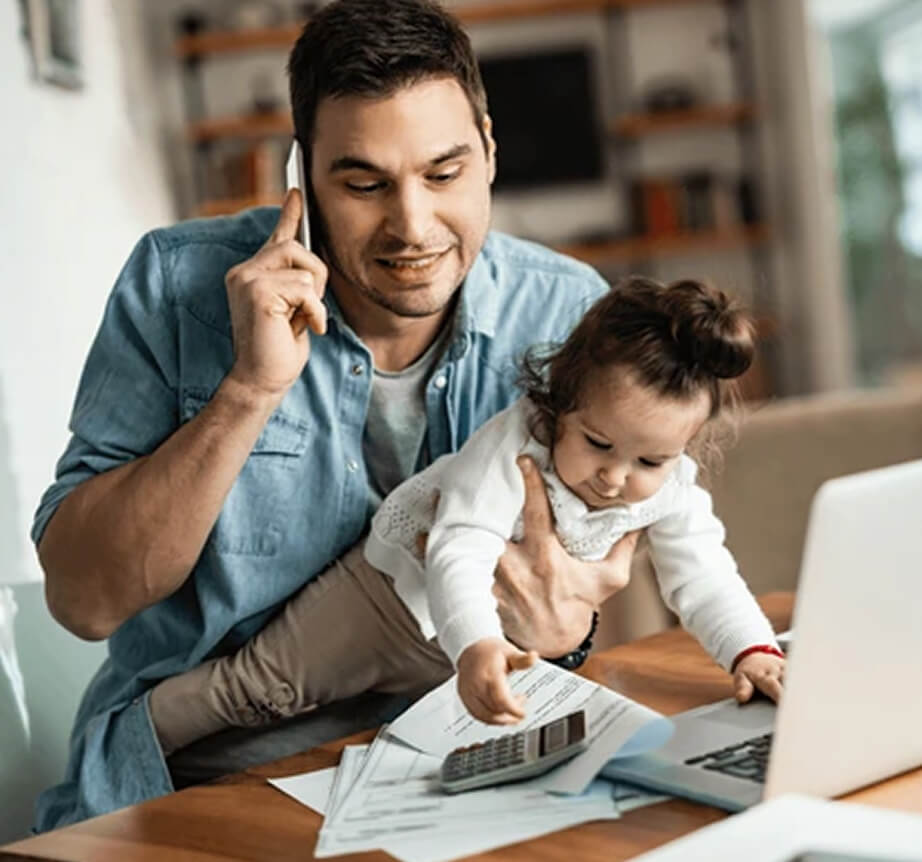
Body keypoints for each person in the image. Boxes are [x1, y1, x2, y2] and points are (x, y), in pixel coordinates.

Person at [30, 0, 637, 830]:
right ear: (301, 176)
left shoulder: (570, 314)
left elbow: (591, 589)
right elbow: (83, 601)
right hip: (208, 777)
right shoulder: (175, 288)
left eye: (444, 173)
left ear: (489, 151)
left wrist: (568, 628)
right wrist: (247, 390)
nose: (413, 225)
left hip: (469, 761)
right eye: (363, 184)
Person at [149, 276, 785, 754]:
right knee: (259, 691)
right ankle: (141, 734)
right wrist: (478, 645)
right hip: (387, 600)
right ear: (560, 404)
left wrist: (750, 652)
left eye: (651, 460)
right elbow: (460, 547)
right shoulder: (515, 444)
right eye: (597, 444)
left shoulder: (672, 487)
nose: (616, 478)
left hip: (471, 648)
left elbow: (703, 576)